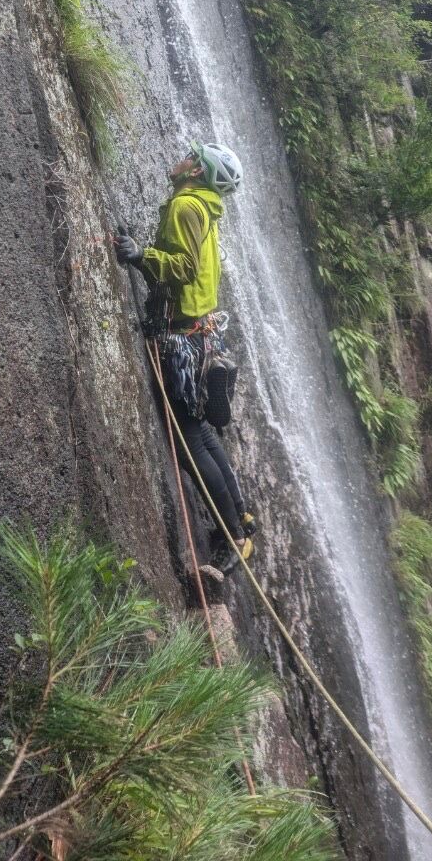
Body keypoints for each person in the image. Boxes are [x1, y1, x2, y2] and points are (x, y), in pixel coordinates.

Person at [114, 141, 254, 575]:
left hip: (180, 338)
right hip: (199, 331)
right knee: (203, 431)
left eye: (192, 155)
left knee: (189, 439)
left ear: (196, 171)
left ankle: (234, 536)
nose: (183, 156)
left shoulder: (185, 206)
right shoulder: (205, 208)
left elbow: (185, 268)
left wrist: (141, 256)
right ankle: (241, 514)